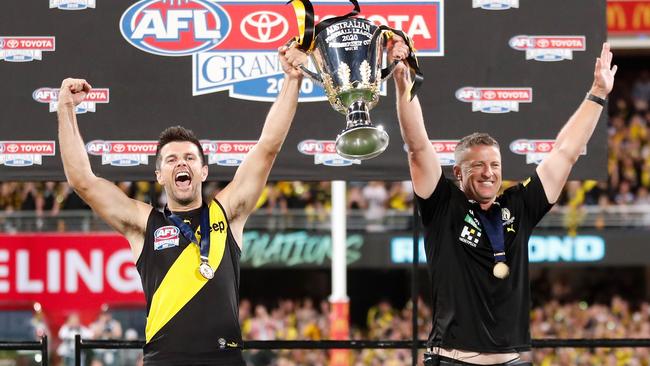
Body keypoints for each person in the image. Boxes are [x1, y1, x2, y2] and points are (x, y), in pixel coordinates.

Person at [56, 45, 305, 365]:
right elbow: (83, 181)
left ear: (203, 170)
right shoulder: (144, 223)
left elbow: (267, 147)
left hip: (224, 359)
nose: (180, 164)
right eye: (171, 160)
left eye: (189, 157)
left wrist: (292, 79)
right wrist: (65, 107)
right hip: (164, 360)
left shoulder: (227, 213)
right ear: (159, 175)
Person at [390, 39, 617, 365]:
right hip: (453, 360)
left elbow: (564, 152)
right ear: (457, 171)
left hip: (512, 361)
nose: (488, 173)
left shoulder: (518, 205)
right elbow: (418, 147)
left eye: (495, 165)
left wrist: (597, 93)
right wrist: (403, 84)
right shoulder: (443, 205)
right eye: (477, 165)